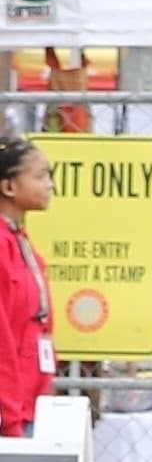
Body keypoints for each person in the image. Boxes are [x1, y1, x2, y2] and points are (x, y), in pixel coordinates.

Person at [0, 138, 55, 438]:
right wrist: (8, 417)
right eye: (39, 176)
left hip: (30, 404)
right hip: (10, 413)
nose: (49, 185)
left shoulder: (21, 240)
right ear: (9, 187)